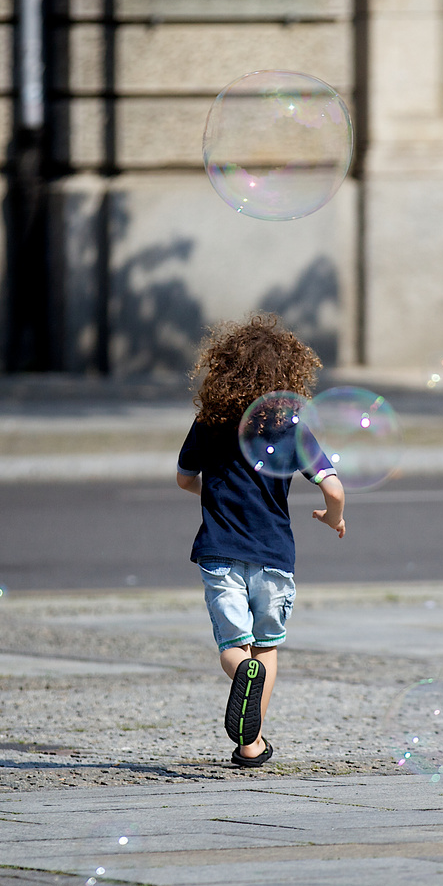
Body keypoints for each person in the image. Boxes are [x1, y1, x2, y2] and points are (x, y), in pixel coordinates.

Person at [176, 315, 346, 768]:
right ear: (288, 377)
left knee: (235, 648)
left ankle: (243, 695)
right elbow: (333, 489)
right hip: (274, 557)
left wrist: (208, 490)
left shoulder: (209, 422)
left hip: (219, 552)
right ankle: (251, 745)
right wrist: (333, 518)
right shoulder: (292, 429)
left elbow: (183, 478)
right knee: (267, 648)